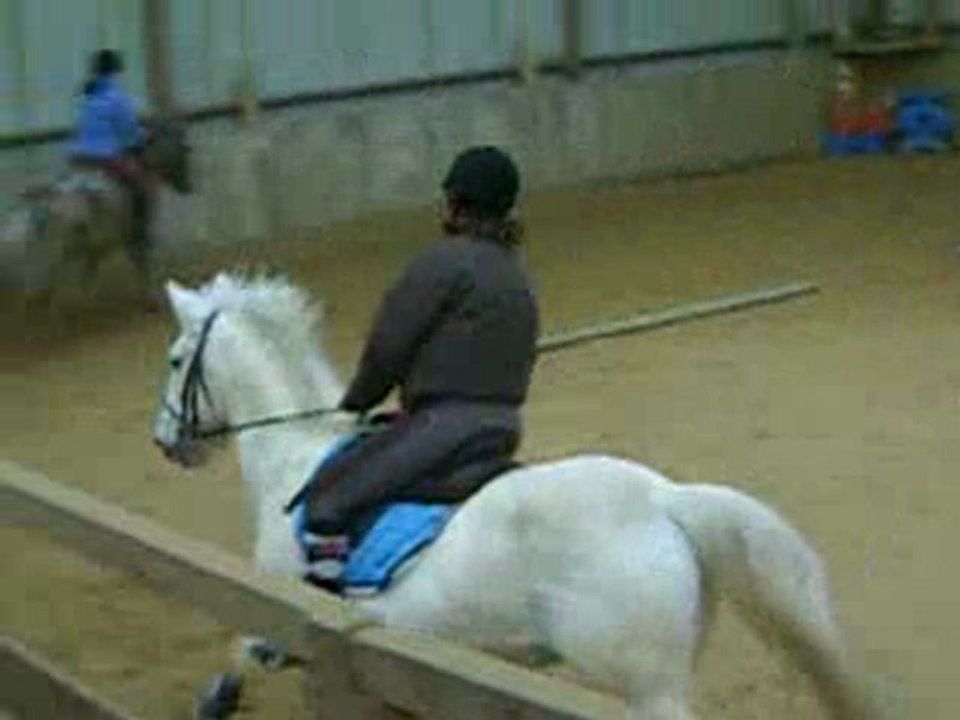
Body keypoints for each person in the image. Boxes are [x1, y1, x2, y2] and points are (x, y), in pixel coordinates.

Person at [301, 146, 540, 584]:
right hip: (503, 426)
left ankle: (326, 615)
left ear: (458, 201)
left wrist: (357, 401)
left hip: (444, 427)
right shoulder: (517, 272)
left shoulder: (443, 262)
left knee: (328, 502)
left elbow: (388, 348)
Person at [67, 49, 154, 287]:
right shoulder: (117, 96)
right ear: (115, 71)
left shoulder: (89, 95)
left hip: (78, 159)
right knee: (142, 190)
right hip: (106, 159)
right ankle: (139, 235)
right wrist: (142, 139)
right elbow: (129, 134)